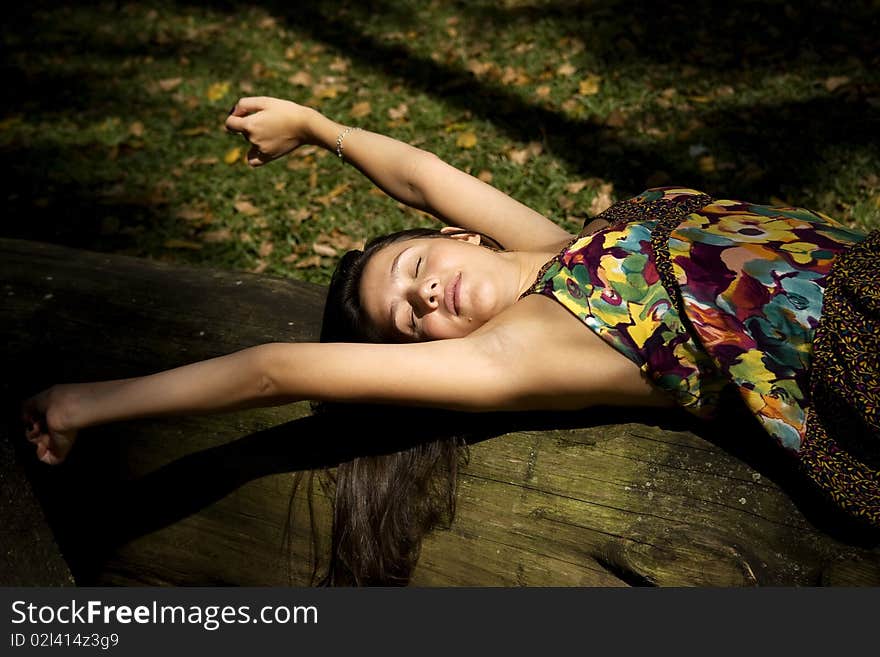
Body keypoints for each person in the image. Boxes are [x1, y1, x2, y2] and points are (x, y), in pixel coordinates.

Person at [21, 97, 880, 585]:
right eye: (409, 317)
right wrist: (88, 403)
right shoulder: (523, 349)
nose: (424, 293)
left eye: (414, 266)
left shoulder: (558, 248)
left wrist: (319, 129)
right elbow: (273, 369)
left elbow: (423, 174)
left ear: (460, 238)